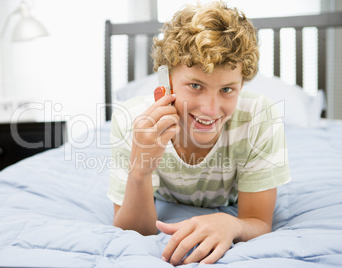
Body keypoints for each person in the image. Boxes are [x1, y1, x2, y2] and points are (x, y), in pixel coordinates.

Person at [107, 1, 290, 265]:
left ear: (242, 84)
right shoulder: (132, 120)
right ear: (166, 80)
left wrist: (232, 225)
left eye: (227, 89)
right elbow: (135, 232)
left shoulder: (260, 116)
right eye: (195, 85)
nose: (211, 109)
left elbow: (259, 222)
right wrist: (140, 169)